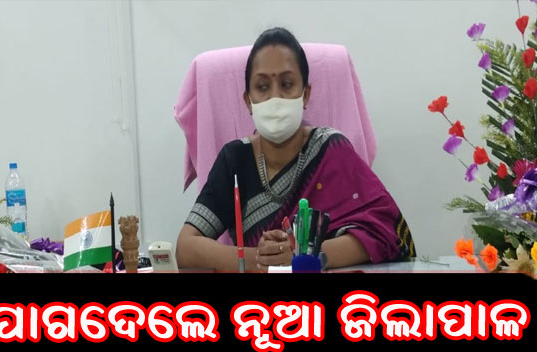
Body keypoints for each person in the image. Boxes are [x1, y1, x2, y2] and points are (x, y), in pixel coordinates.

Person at [176, 27, 414, 272]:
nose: (275, 98)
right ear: (248, 101)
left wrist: (304, 256)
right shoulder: (235, 160)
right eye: (262, 87)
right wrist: (261, 259)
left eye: (287, 84)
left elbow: (390, 233)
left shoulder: (331, 150)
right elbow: (185, 248)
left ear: (305, 94)